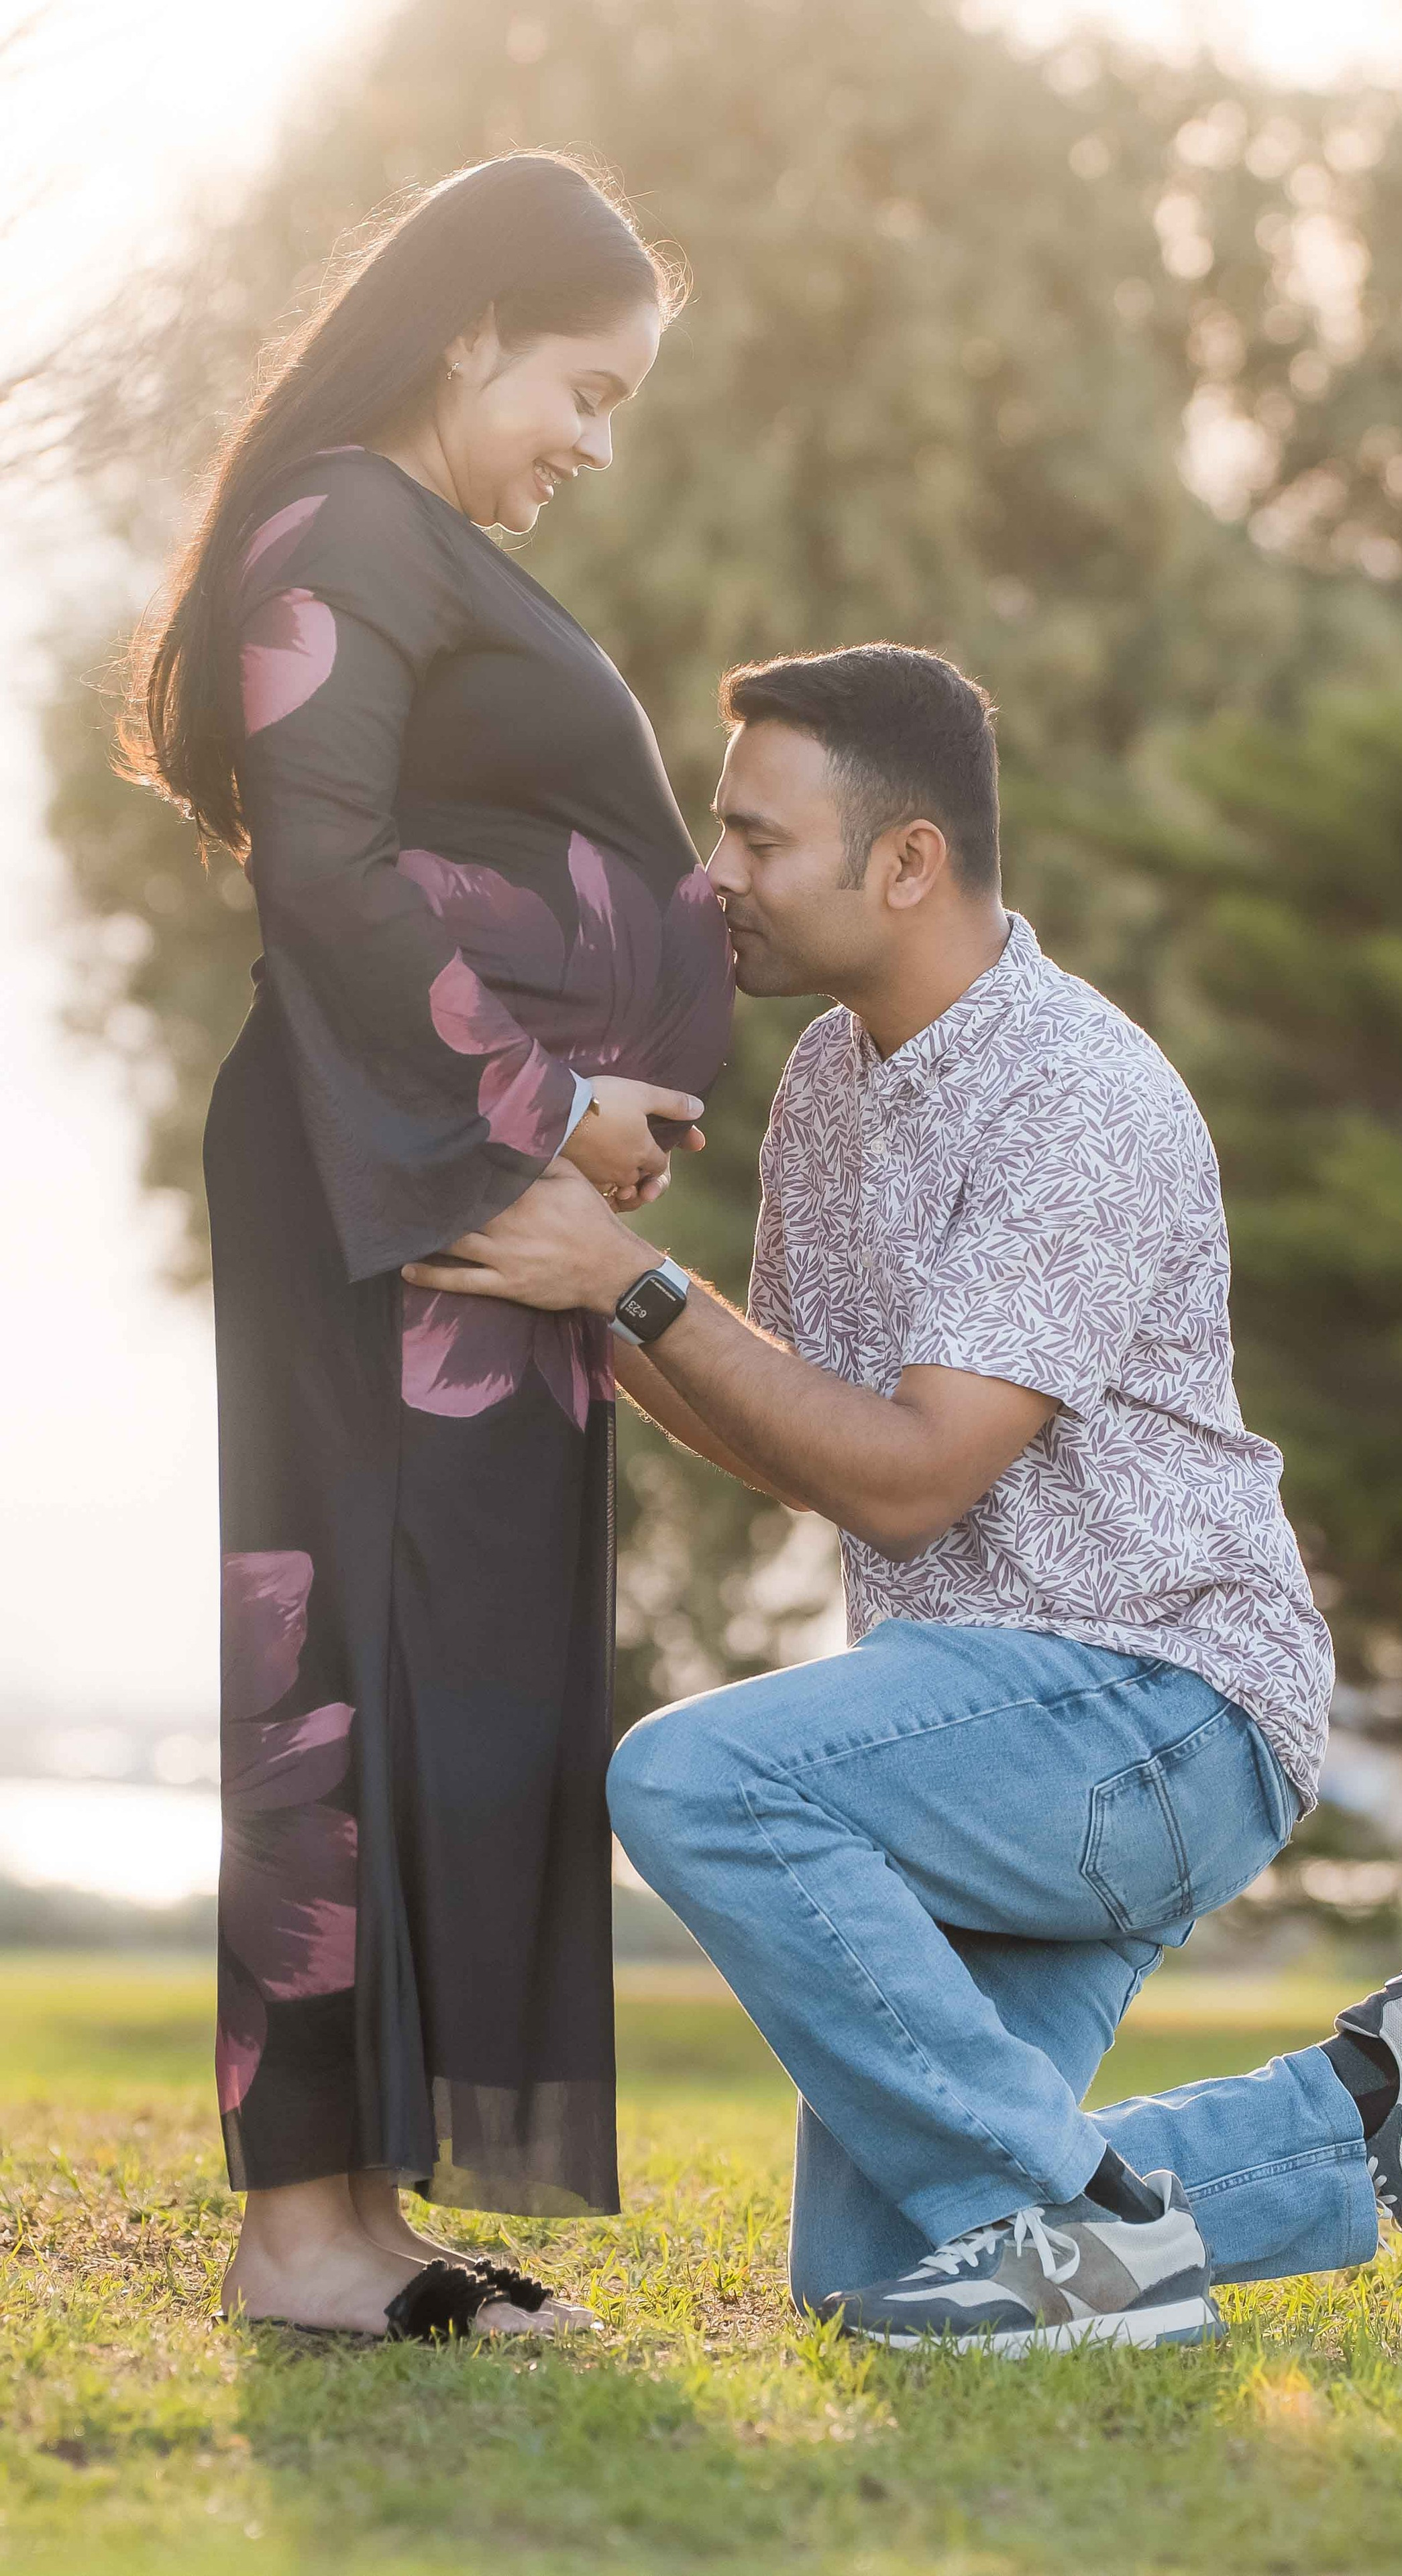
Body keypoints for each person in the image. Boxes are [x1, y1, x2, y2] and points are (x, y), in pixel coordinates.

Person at [402, 644, 1402, 2353]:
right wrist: (588, 1282)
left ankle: (1100, 2241)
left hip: (1152, 1707)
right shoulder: (831, 1089)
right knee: (889, 2272)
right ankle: (1376, 2106)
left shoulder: (1075, 1096)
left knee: (694, 1777)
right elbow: (800, 1431)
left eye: (755, 837)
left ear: (907, 860)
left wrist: (630, 1278)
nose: (713, 876)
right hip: (976, 1738)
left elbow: (918, 1476)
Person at [119, 154, 733, 2341]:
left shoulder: (405, 543)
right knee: (333, 1673)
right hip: (378, 1176)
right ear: (471, 329)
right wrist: (552, 1101)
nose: (593, 439)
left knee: (426, 1665)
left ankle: (359, 2213)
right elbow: (332, 873)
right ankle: (297, 2228)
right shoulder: (343, 528)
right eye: (585, 385)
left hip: (442, 1190)